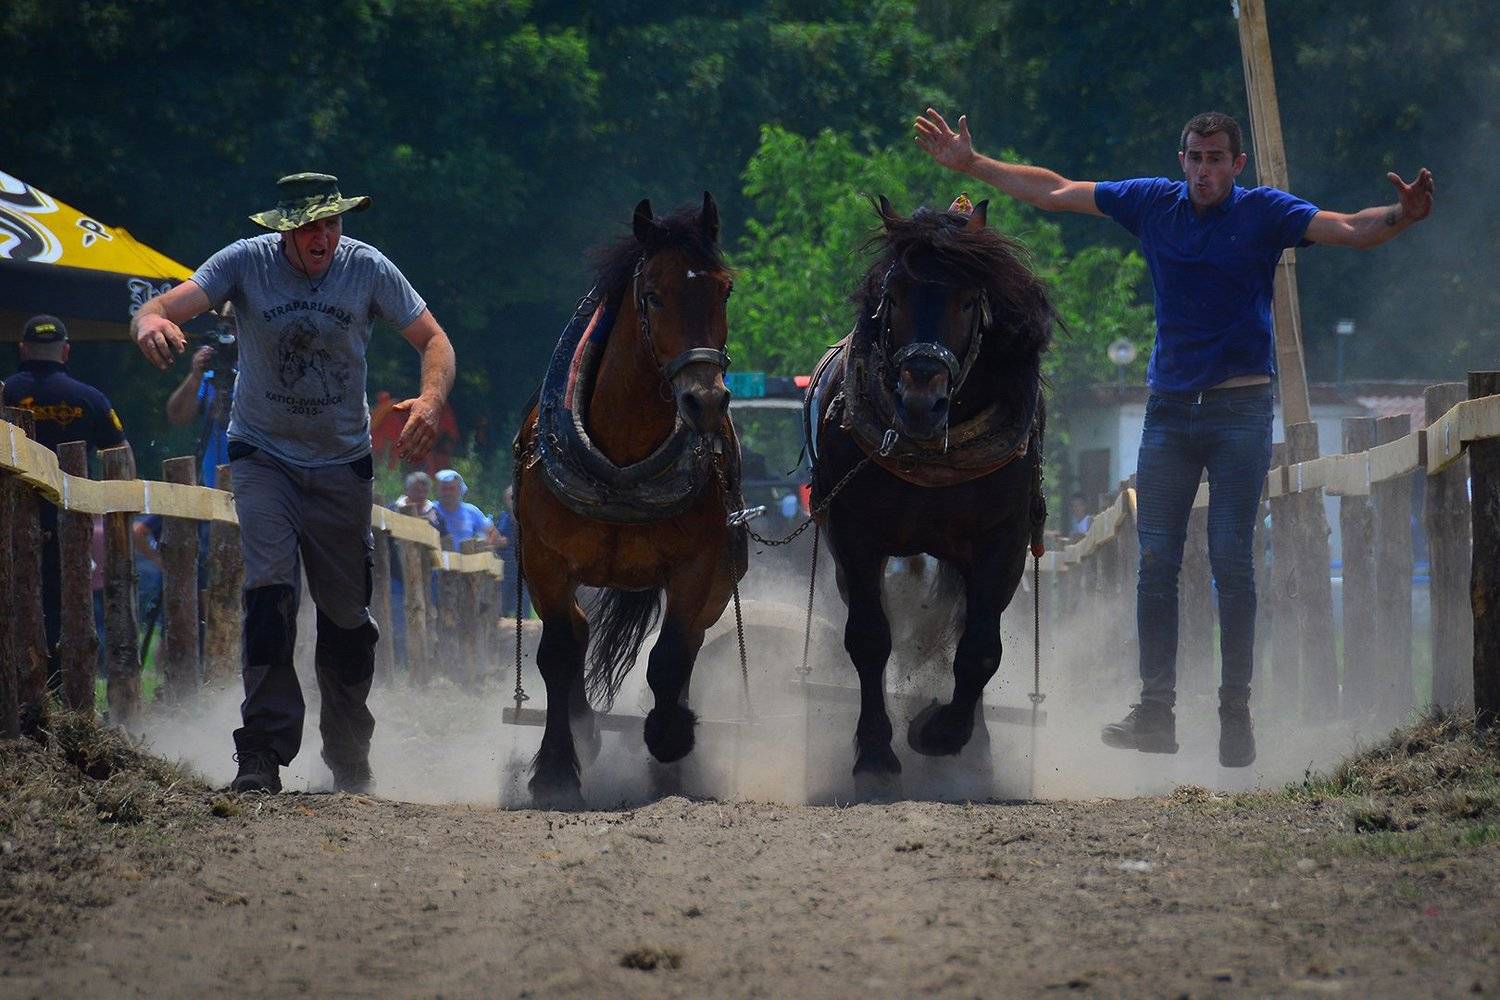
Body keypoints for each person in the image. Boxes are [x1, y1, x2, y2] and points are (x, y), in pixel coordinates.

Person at [916, 107, 1434, 768]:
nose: (1204, 170)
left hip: (1241, 409)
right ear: (1181, 159)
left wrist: (1400, 217)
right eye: (1195, 157)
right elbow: (1056, 190)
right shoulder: (1154, 203)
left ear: (1236, 164)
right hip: (1169, 412)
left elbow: (1350, 229)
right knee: (1156, 560)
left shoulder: (1265, 212)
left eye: (1216, 159)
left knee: (1231, 560)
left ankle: (1235, 710)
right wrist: (971, 164)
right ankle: (1155, 712)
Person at [131, 172, 455, 794]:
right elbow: (163, 306)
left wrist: (431, 401)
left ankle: (349, 753)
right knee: (270, 594)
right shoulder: (245, 262)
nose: (323, 236)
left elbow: (433, 339)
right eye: (310, 226)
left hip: (341, 462)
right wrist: (149, 323)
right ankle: (261, 753)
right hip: (264, 456)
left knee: (346, 615)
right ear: (285, 230)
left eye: (332, 223)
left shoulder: (367, 268)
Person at [3, 314, 132, 698]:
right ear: (66, 351)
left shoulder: (5, 394)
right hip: (69, 522)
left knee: (11, 603)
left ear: (23, 349)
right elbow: (121, 457)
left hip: (9, 523)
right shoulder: (90, 398)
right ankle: (60, 689)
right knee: (64, 606)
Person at [165, 305, 236, 489]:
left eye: (234, 324)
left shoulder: (259, 371)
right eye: (225, 324)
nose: (229, 331)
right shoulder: (210, 375)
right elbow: (178, 416)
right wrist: (196, 374)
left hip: (253, 483)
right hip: (211, 485)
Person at [432, 468, 496, 551]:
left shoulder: (471, 511)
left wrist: (486, 545)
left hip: (466, 557)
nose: (448, 493)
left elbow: (490, 532)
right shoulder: (431, 509)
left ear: (460, 490)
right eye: (444, 489)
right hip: (437, 557)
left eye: (452, 489)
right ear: (438, 491)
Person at [493, 485, 530, 618]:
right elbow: (495, 540)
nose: (514, 501)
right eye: (511, 498)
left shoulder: (528, 520)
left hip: (523, 574)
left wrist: (508, 541)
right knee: (502, 611)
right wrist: (498, 541)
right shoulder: (503, 518)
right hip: (505, 573)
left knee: (523, 613)